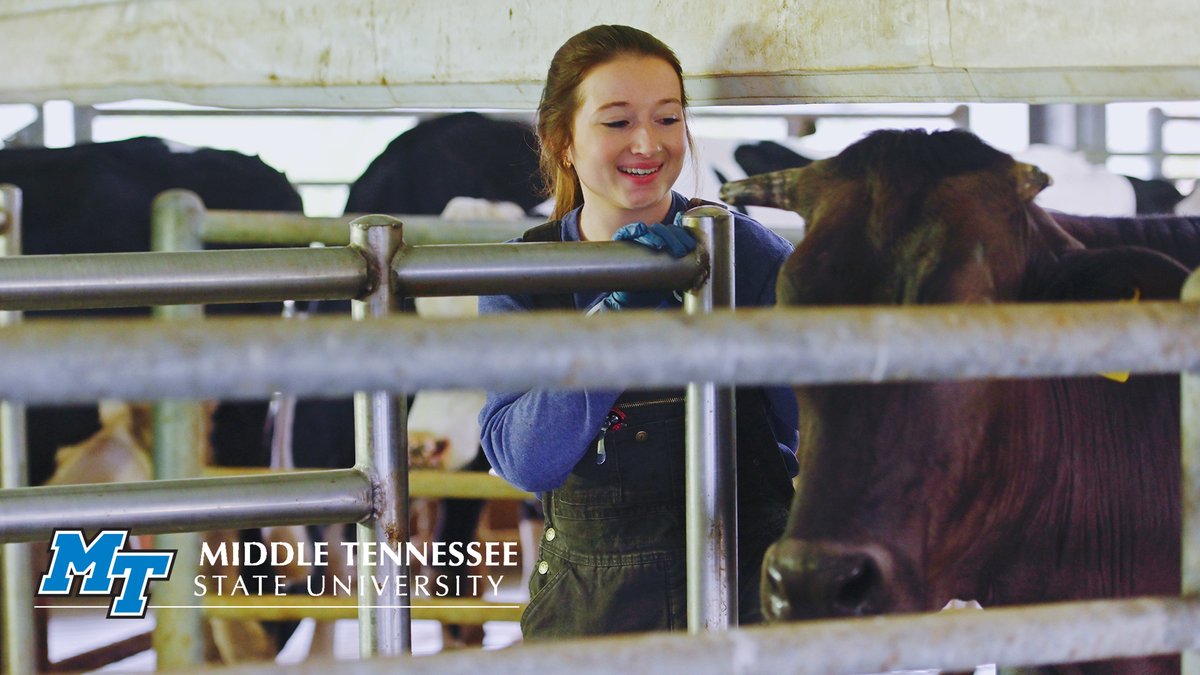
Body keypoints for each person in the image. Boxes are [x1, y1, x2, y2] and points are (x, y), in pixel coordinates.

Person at [477, 24, 799, 639]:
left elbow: (802, 425)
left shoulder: (750, 255)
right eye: (618, 122)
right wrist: (613, 330)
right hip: (594, 614)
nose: (648, 143)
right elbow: (526, 461)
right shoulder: (527, 275)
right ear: (562, 141)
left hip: (748, 594)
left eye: (668, 119)